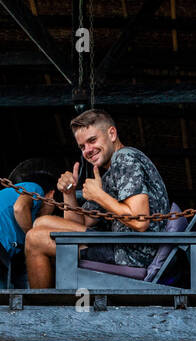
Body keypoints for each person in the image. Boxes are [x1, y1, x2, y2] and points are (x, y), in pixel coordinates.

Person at [23, 110, 170, 288]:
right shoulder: (110, 173)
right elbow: (82, 221)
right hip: (118, 245)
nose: (88, 150)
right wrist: (69, 193)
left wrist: (98, 195)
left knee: (35, 239)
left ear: (112, 134)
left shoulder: (125, 158)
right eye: (82, 146)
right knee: (41, 222)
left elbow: (140, 221)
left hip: (131, 254)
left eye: (92, 140)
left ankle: (40, 310)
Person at [0, 164, 57, 258]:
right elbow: (19, 208)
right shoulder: (34, 188)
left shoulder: (30, 212)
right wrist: (34, 237)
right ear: (52, 195)